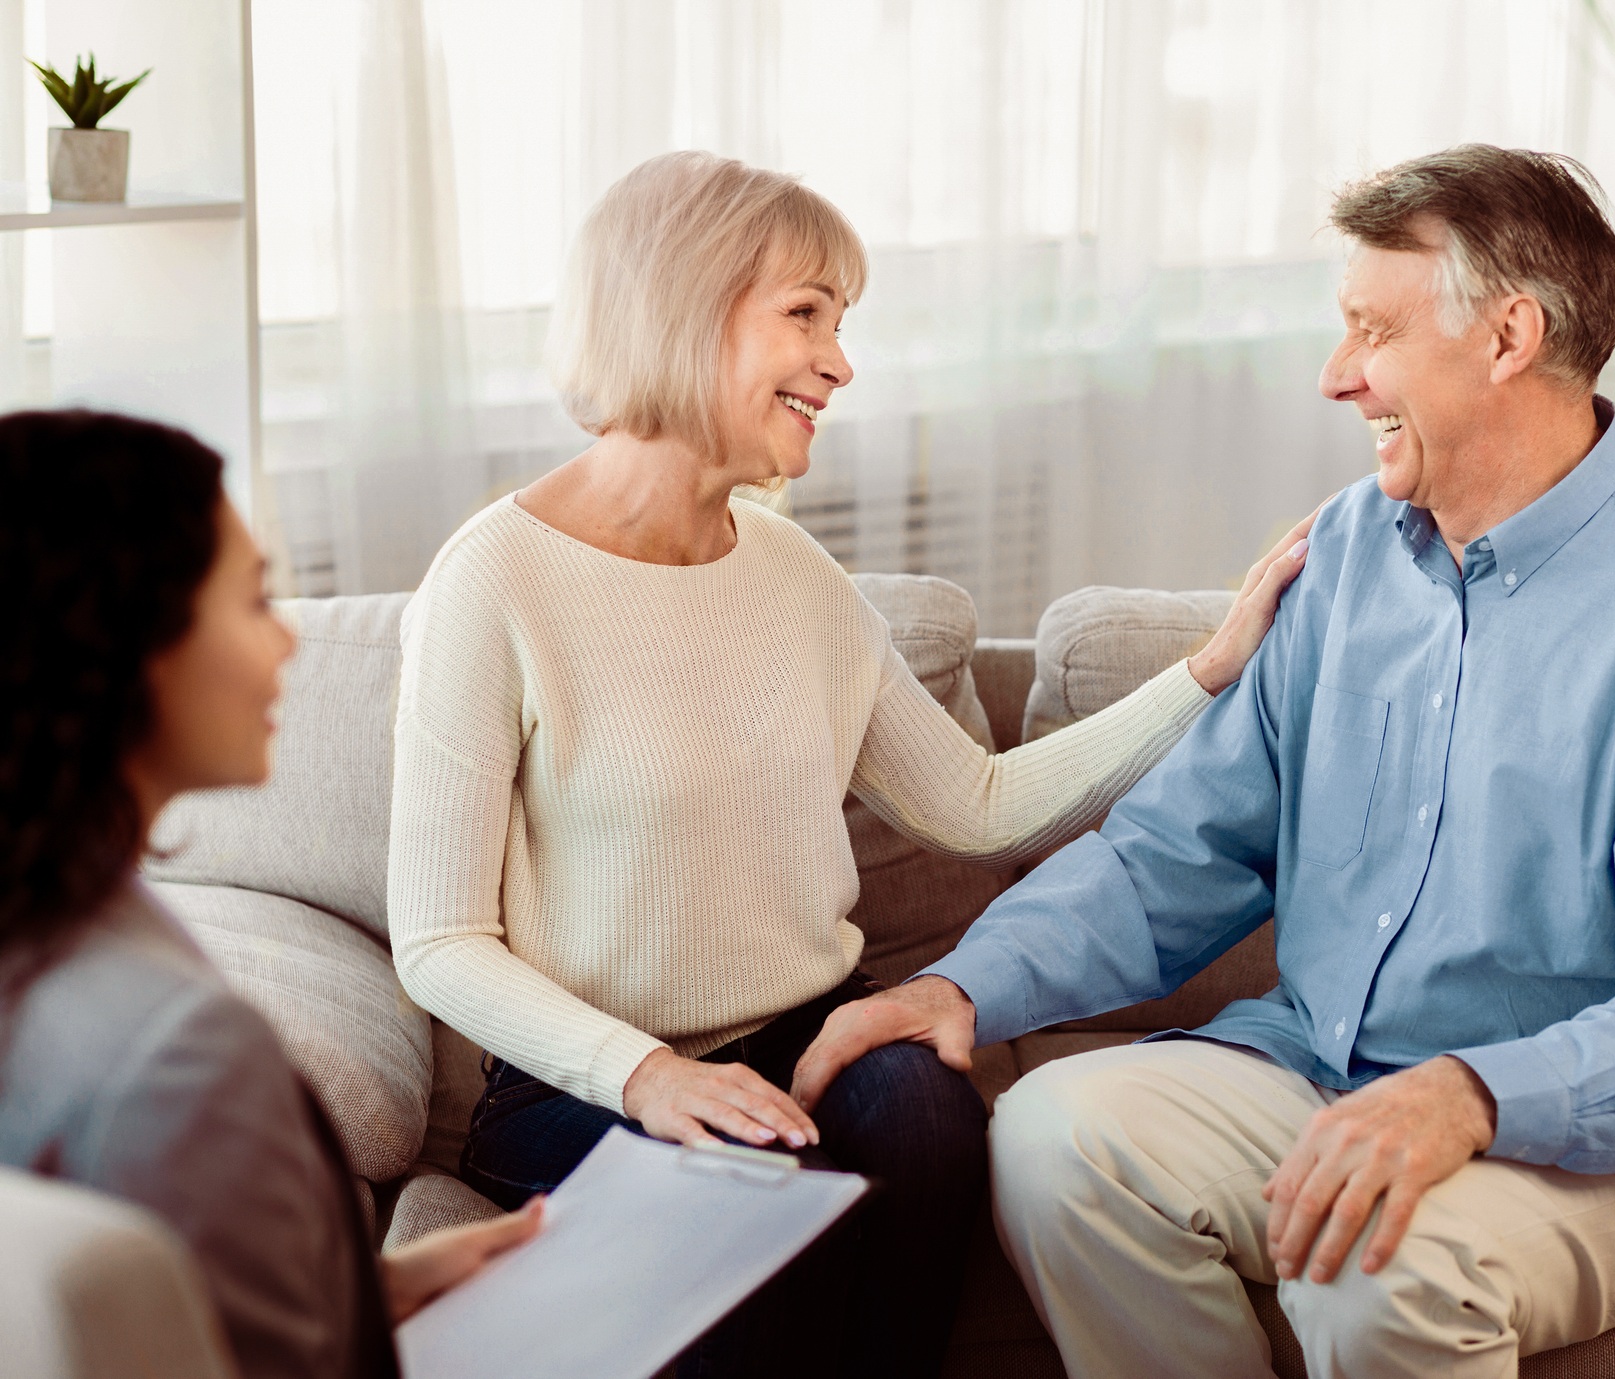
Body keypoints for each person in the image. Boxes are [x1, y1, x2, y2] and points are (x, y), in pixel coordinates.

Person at [793, 144, 1615, 1379]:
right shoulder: (1348, 553)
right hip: (1330, 1069)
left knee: (1370, 1264)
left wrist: (1470, 1094)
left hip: (1608, 1145)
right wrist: (966, 987)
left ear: (1507, 336)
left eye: (1370, 331)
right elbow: (1179, 852)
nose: (1336, 377)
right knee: (1052, 1140)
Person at [386, 150, 1309, 1379]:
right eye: (805, 315)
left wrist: (1205, 668)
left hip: (801, 1027)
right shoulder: (493, 581)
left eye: (841, 321)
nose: (839, 363)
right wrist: (647, 1074)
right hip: (588, 1079)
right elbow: (439, 938)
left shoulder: (795, 579)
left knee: (928, 1113)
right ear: (684, 305)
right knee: (751, 1188)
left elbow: (976, 805)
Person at [0, 410, 545, 1379]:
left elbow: (166, 1321)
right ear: (135, 642)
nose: (287, 642)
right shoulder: (177, 1060)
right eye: (254, 599)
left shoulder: (55, 914)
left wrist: (384, 1289)